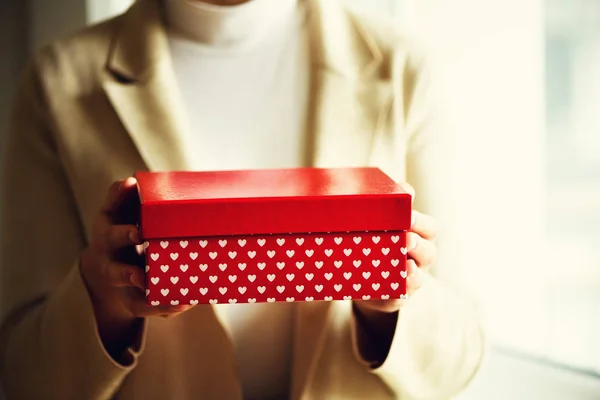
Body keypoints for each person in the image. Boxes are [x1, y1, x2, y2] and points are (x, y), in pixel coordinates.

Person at [0, 0, 485, 398]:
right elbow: (22, 373)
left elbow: (462, 356)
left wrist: (393, 307)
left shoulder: (404, 66)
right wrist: (102, 301)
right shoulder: (59, 79)